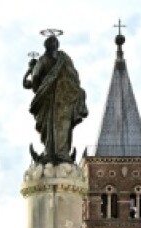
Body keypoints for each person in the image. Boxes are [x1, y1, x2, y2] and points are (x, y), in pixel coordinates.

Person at [21, 33, 88, 164]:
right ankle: (56, 153)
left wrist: (38, 85)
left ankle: (59, 154)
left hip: (58, 100)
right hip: (57, 100)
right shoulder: (58, 59)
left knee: (61, 126)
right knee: (59, 126)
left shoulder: (51, 59)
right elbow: (74, 78)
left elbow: (34, 80)